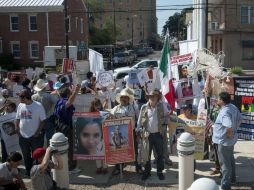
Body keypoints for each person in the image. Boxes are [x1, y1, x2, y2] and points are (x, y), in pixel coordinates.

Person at [212, 92, 242, 190]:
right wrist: (234, 131)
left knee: (225, 164)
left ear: (222, 100)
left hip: (224, 142)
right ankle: (232, 179)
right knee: (230, 159)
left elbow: (228, 125)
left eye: (219, 98)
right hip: (230, 141)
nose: (217, 100)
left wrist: (229, 135)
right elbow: (239, 119)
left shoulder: (225, 112)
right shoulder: (232, 107)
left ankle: (225, 185)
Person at [137, 89, 168, 180]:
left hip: (158, 134)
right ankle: (147, 172)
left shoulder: (161, 106)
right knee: (147, 155)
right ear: (148, 98)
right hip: (147, 135)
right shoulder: (144, 107)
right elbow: (139, 120)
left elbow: (167, 117)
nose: (152, 98)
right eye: (150, 97)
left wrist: (165, 125)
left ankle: (159, 172)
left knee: (159, 155)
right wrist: (137, 130)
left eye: (154, 97)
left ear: (157, 98)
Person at [110, 87, 141, 175]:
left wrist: (138, 131)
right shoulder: (115, 108)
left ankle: (138, 167)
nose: (123, 99)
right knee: (119, 150)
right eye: (122, 97)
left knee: (135, 151)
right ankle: (118, 168)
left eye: (125, 97)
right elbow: (110, 118)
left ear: (128, 98)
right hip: (120, 133)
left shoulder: (134, 107)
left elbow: (138, 119)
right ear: (120, 99)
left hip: (132, 132)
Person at [15, 89, 46, 176]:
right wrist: (17, 129)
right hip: (22, 136)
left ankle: (36, 171)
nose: (19, 99)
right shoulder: (20, 105)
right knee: (26, 155)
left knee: (36, 155)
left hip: (35, 136)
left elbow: (43, 120)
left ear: (25, 97)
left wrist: (37, 132)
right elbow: (17, 118)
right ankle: (28, 171)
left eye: (20, 97)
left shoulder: (38, 106)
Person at [53, 84, 80, 172]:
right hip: (66, 128)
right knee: (70, 147)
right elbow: (69, 102)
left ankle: (64, 165)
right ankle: (71, 168)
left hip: (60, 127)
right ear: (68, 95)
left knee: (63, 147)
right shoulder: (64, 102)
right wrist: (75, 91)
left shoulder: (59, 101)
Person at [89, 98, 108, 174]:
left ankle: (105, 167)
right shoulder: (90, 114)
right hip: (95, 137)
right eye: (96, 105)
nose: (98, 106)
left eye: (99, 105)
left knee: (104, 152)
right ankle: (99, 167)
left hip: (103, 135)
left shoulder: (103, 113)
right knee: (97, 152)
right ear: (93, 106)